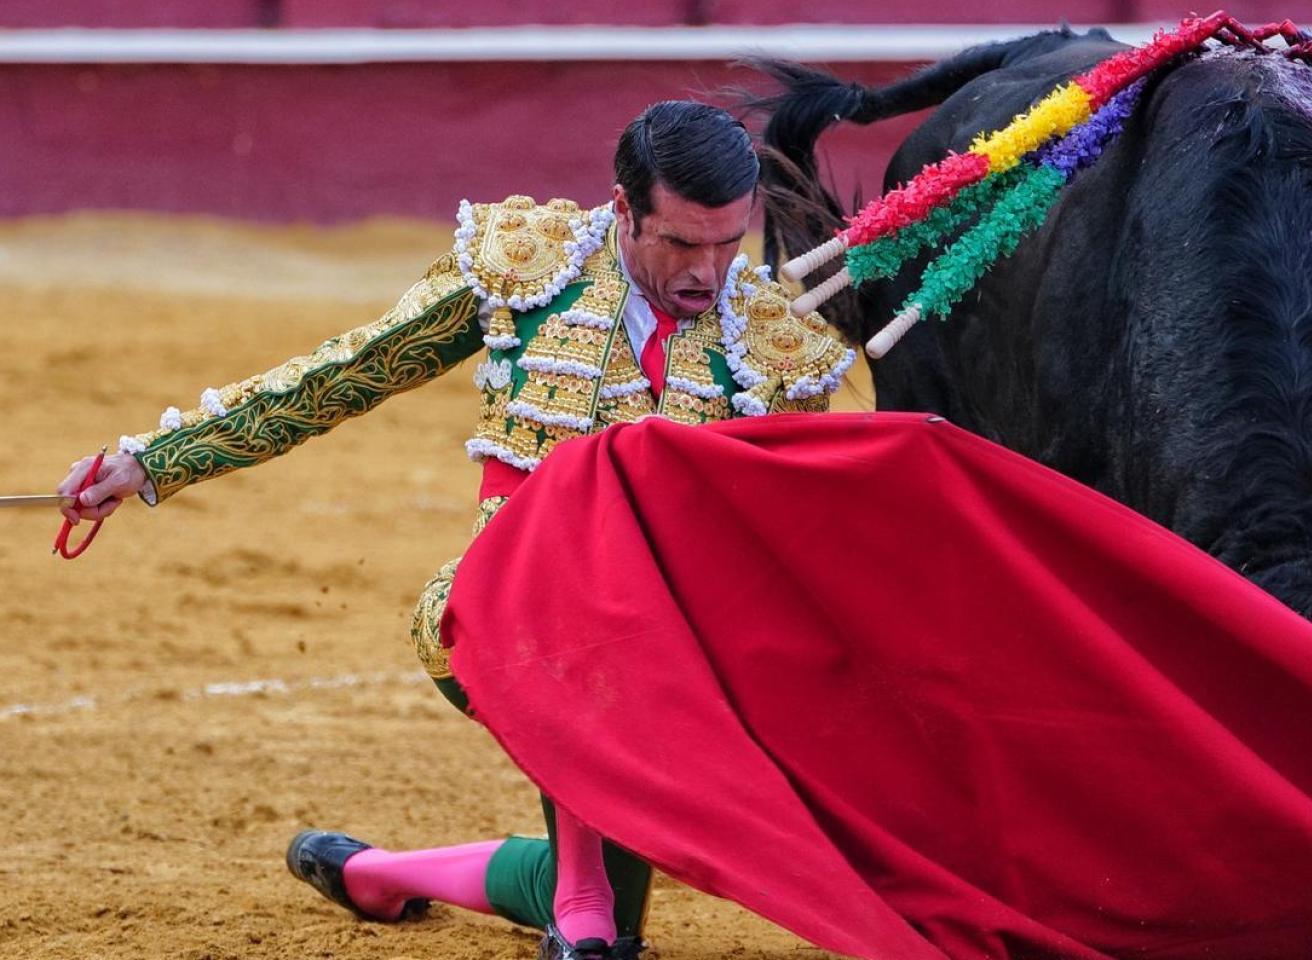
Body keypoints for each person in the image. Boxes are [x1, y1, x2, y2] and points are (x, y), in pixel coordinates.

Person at [57, 100, 855, 960]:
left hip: (674, 665)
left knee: (608, 911)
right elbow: (349, 372)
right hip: (495, 616)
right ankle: (578, 891)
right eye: (682, 243)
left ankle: (387, 876)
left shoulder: (771, 340)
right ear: (623, 209)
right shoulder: (529, 267)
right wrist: (160, 459)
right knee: (586, 638)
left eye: (728, 243)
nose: (708, 271)